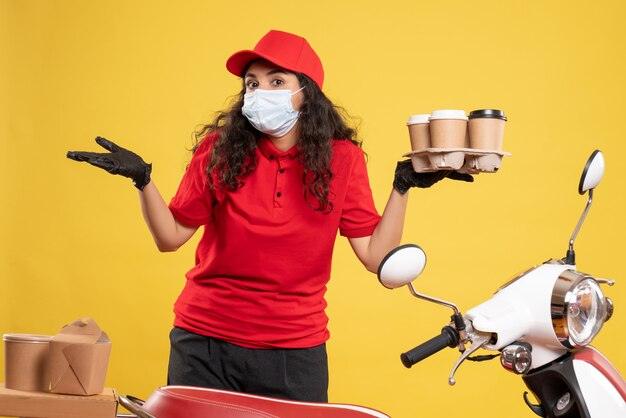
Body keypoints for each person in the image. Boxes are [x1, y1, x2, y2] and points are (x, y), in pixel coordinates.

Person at [67, 29, 472, 402]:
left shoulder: (342, 159)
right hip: (204, 341)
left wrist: (401, 188)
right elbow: (170, 237)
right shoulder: (220, 150)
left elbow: (374, 257)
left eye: (277, 81)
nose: (261, 92)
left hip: (294, 352)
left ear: (306, 93)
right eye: (252, 84)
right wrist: (143, 181)